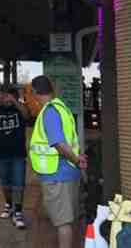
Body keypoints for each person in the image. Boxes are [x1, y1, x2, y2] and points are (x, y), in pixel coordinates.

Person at [28, 75, 88, 248]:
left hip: (57, 175)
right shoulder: (61, 107)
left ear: (35, 92)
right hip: (67, 172)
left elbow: (59, 144)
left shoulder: (50, 112)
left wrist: (76, 160)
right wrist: (76, 160)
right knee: (67, 219)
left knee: (62, 223)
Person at [0, 86, 29, 229]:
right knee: (5, 183)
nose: (5, 99)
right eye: (4, 97)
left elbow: (26, 115)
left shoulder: (19, 110)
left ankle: (18, 212)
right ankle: (9, 204)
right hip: (2, 154)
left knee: (19, 183)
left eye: (8, 96)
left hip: (18, 154)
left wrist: (14, 101)